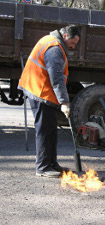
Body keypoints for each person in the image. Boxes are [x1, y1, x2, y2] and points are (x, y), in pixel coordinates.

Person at [18, 25, 81, 178]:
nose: (73, 46)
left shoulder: (55, 43)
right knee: (44, 130)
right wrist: (65, 102)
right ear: (65, 36)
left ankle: (52, 163)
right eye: (73, 42)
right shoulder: (54, 48)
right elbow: (57, 78)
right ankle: (42, 167)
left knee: (51, 129)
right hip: (39, 91)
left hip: (43, 90)